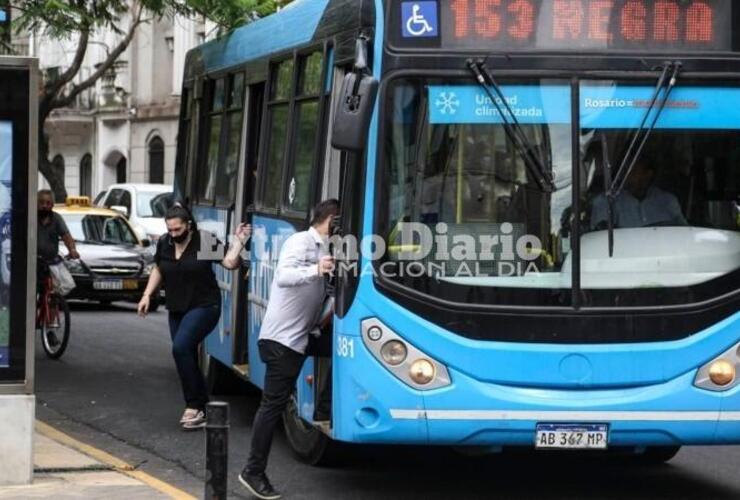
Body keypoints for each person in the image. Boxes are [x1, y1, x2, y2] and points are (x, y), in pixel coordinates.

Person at [238, 199, 338, 500]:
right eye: (340, 223)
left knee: (349, 351)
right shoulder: (301, 241)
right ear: (331, 220)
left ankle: (323, 406)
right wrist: (316, 269)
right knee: (273, 406)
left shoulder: (324, 249)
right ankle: (252, 471)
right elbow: (283, 277)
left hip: (303, 336)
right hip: (282, 341)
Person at [137, 204, 251, 430]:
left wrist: (239, 242)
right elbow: (159, 269)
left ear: (188, 225)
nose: (173, 235)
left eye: (177, 230)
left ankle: (193, 406)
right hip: (177, 307)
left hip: (205, 305)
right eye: (170, 230)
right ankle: (203, 406)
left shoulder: (204, 241)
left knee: (180, 347)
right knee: (185, 354)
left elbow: (230, 263)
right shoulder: (164, 242)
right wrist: (147, 295)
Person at [590, 160, 687, 230]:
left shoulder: (667, 201)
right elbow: (602, 239)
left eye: (633, 172)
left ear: (648, 174)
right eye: (625, 171)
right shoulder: (607, 201)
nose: (627, 177)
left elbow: (684, 233)